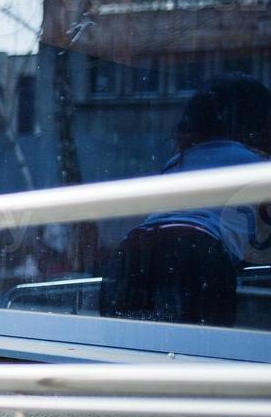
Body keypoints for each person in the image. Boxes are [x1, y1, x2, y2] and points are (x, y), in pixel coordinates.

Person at [100, 73, 271, 327]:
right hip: (198, 253)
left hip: (132, 252)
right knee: (205, 350)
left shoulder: (178, 163)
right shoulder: (259, 168)